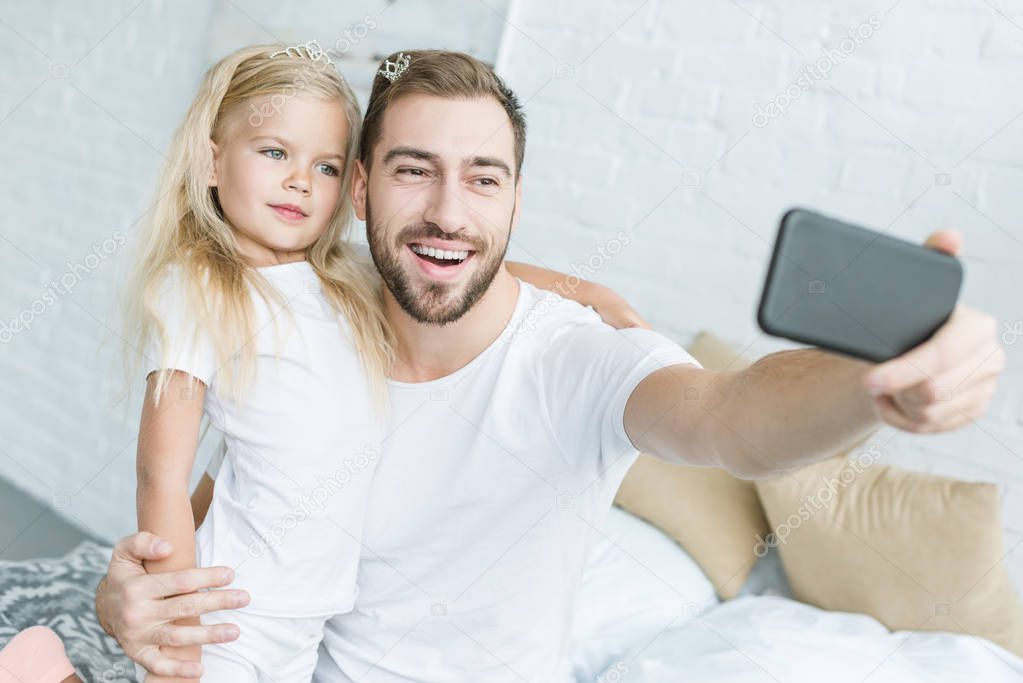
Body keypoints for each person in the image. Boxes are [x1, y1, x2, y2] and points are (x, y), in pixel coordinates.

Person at [94, 49, 1005, 681]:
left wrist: (874, 386)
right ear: (360, 189)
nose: (451, 210)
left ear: (515, 198)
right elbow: (230, 492)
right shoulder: (323, 317)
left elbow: (732, 419)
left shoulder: (577, 356)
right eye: (414, 171)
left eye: (483, 178)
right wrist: (127, 594)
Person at [0, 45, 642, 683]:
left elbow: (469, 264)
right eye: (275, 152)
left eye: (327, 166)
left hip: (310, 614)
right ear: (212, 161)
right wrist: (178, 623)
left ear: (350, 184)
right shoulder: (199, 287)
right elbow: (160, 475)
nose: (300, 181)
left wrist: (590, 293)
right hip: (234, 603)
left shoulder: (340, 282)